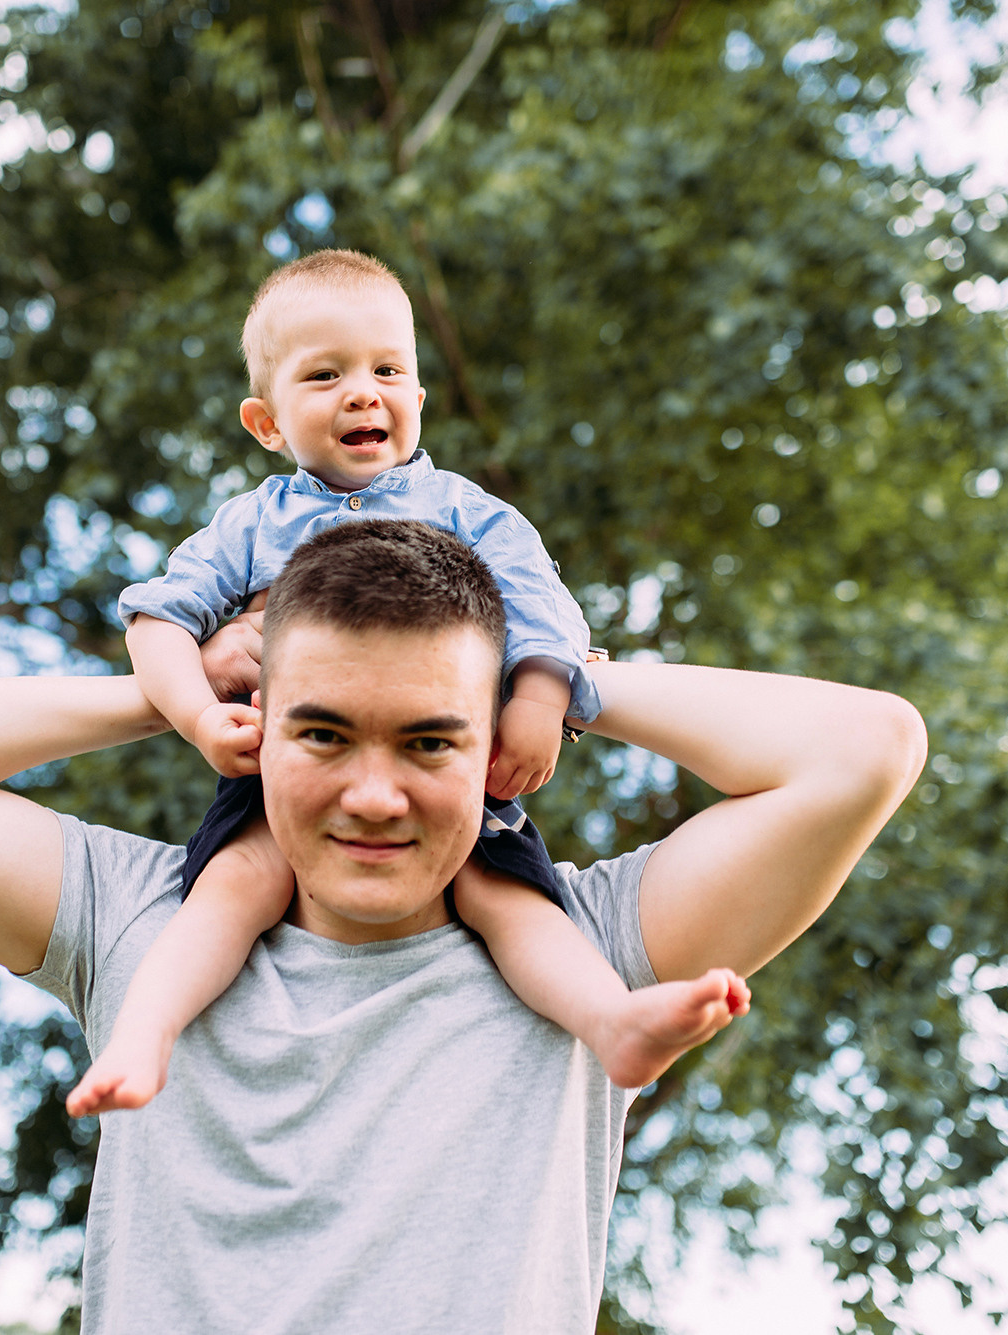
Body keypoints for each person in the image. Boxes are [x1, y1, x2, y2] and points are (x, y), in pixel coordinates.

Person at [0, 518, 926, 1333]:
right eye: (322, 733)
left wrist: (560, 679)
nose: (374, 795)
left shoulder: (589, 952)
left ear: (490, 752)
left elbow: (864, 749)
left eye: (430, 740)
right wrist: (169, 695)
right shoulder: (141, 926)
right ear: (257, 732)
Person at [74, 248, 671, 1118]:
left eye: (388, 369)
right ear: (266, 422)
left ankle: (613, 1023)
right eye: (325, 375)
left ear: (419, 398)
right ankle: (142, 1032)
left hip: (449, 775)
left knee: (510, 900)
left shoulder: (467, 511)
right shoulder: (250, 524)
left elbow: (544, 606)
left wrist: (542, 698)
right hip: (296, 780)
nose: (364, 391)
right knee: (233, 887)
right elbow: (157, 618)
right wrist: (202, 715)